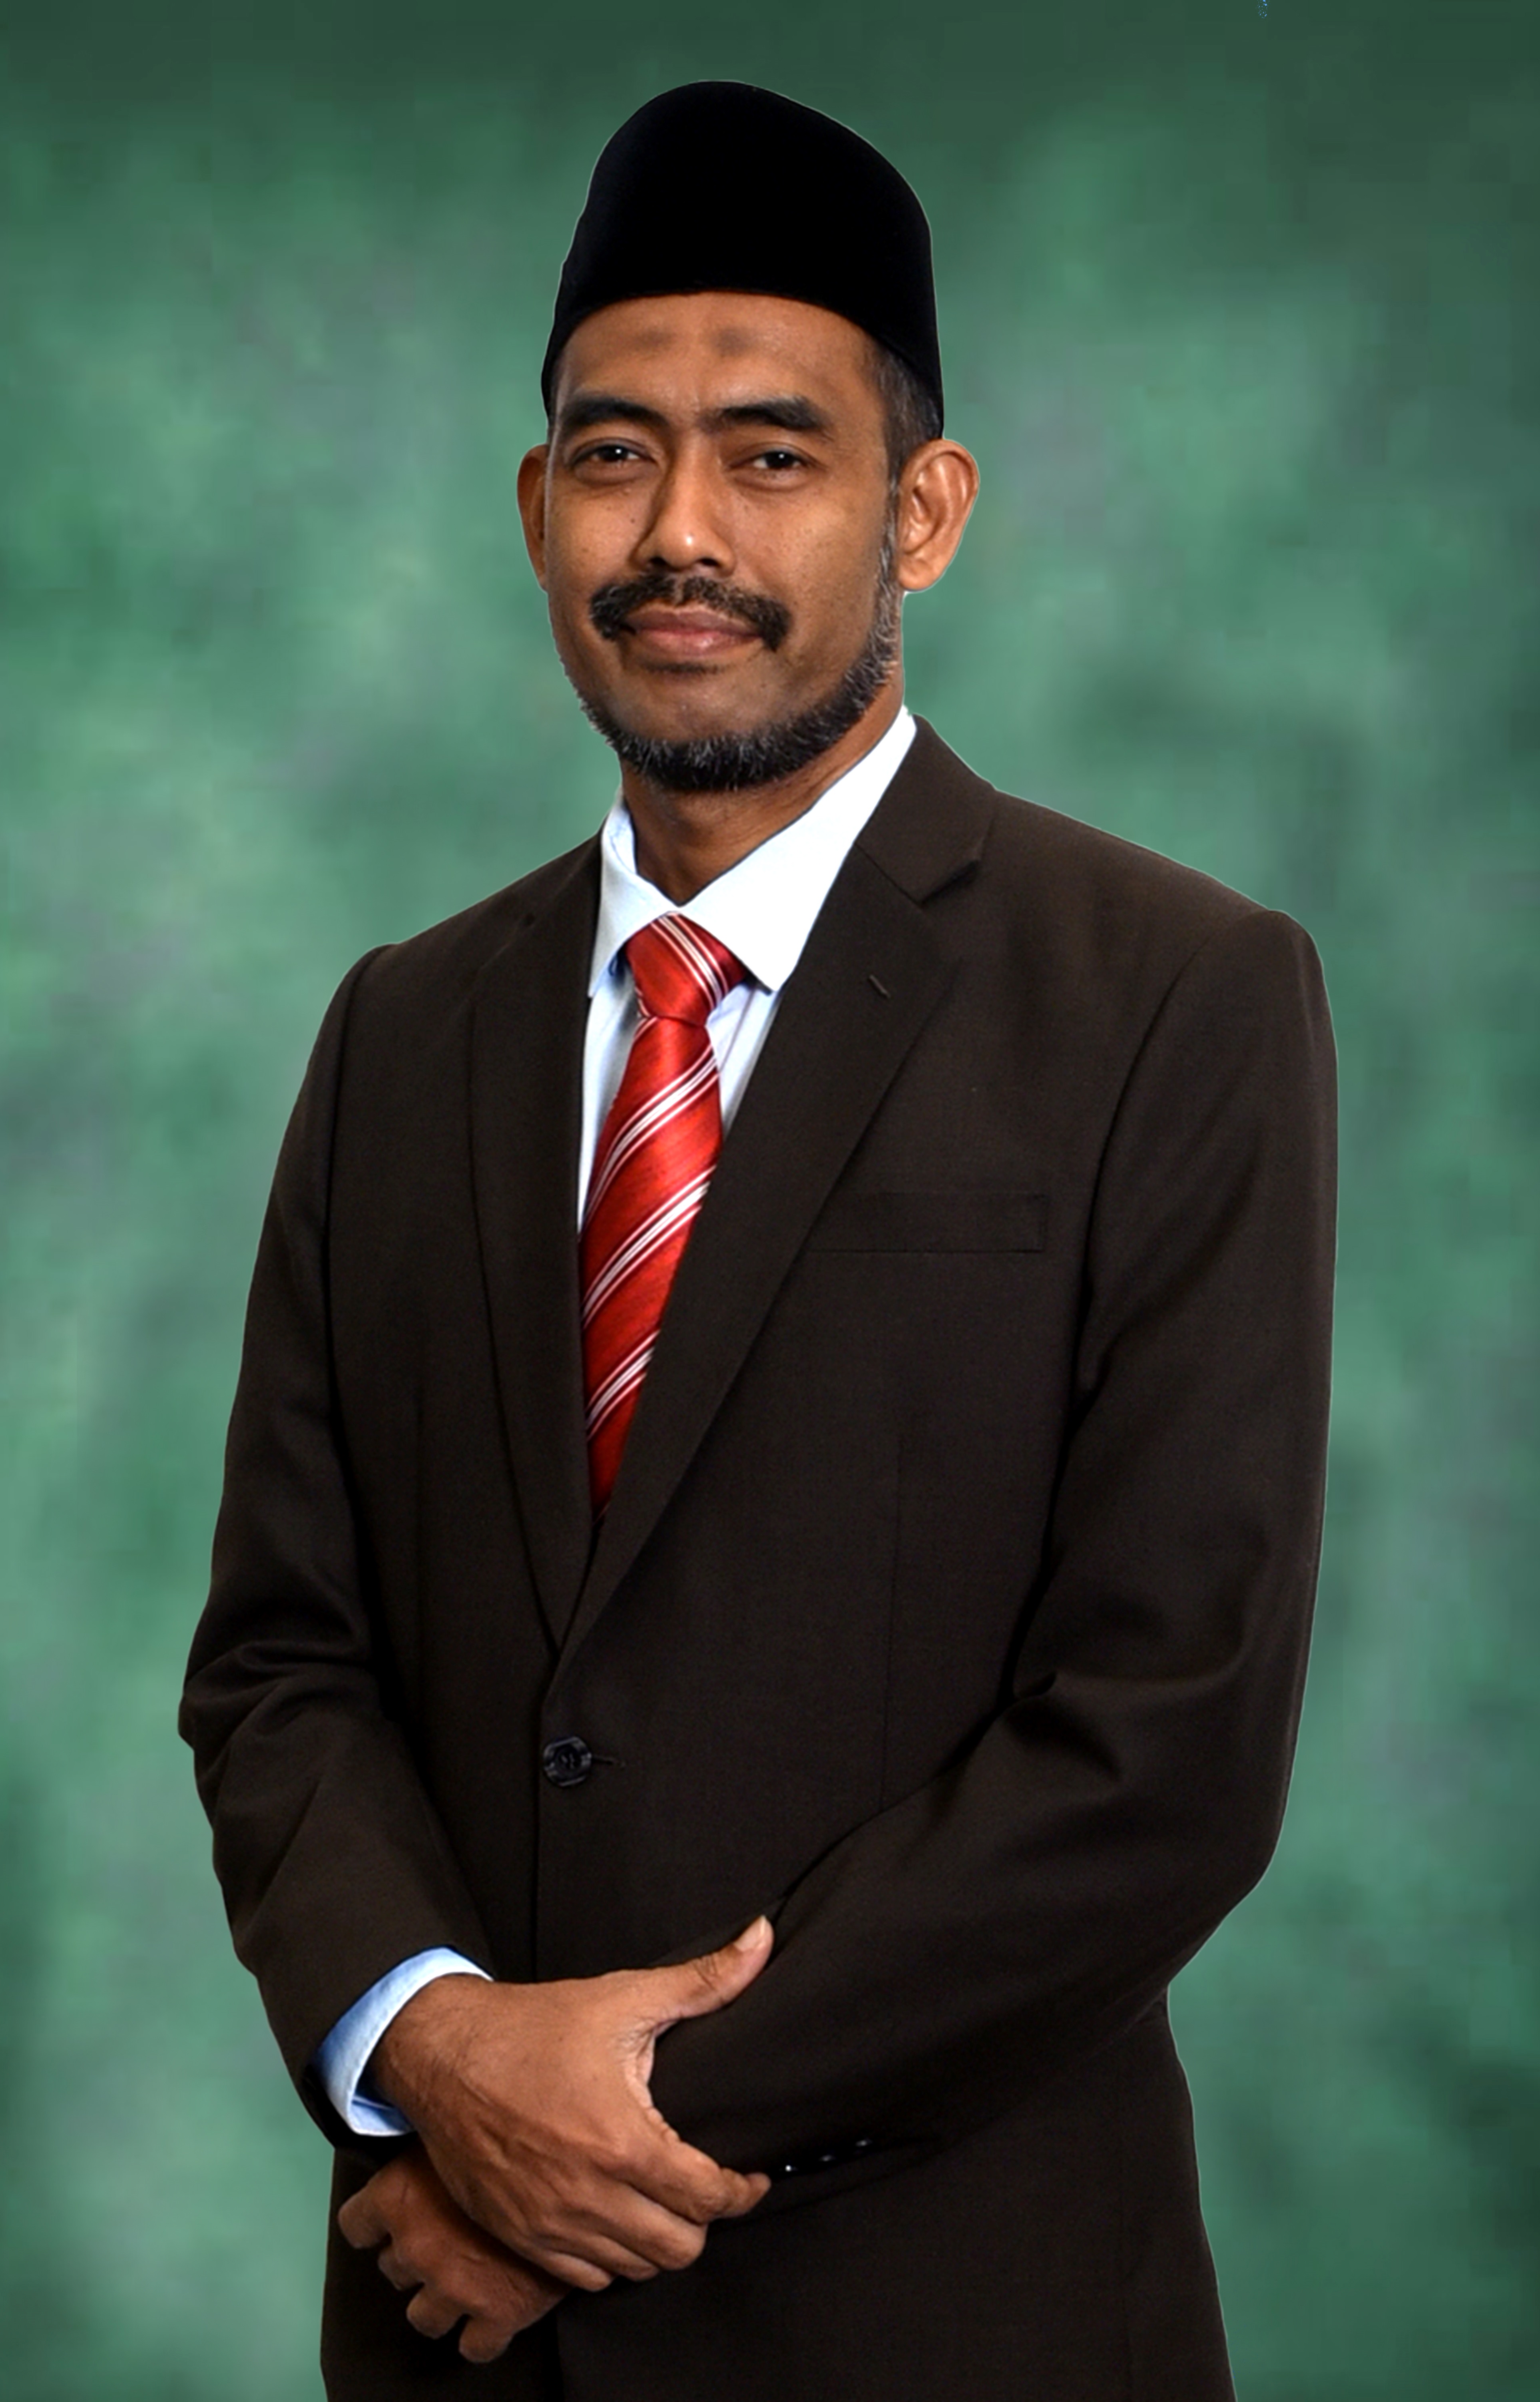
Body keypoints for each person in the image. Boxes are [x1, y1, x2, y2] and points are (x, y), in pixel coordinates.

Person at [181, 80, 1337, 2402]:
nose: (680, 533)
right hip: (454, 2353)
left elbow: (1163, 1744)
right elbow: (284, 1664)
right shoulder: (403, 1030)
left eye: (772, 454)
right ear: (538, 511)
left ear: (925, 511)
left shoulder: (1174, 995)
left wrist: (583, 2139)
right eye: (613, 455)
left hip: (958, 2328)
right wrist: (436, 2048)